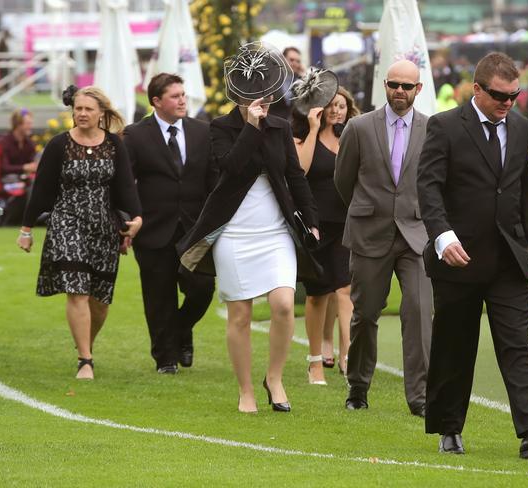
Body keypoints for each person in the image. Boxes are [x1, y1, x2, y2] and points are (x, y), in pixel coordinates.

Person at [417, 52, 528, 458]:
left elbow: (524, 192)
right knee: (456, 344)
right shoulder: (445, 126)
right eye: (499, 96)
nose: (507, 103)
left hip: (510, 259)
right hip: (458, 258)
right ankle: (449, 428)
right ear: (476, 89)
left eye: (514, 96)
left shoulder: (520, 128)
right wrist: (442, 237)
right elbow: (429, 188)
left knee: (516, 343)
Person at [177, 42, 319, 414]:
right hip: (234, 233)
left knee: (284, 305)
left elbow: (295, 176)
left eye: (269, 93)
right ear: (240, 94)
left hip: (275, 232)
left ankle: (274, 377)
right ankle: (245, 390)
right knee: (239, 314)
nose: (265, 99)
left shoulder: (281, 126)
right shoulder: (220, 128)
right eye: (256, 95)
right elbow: (232, 166)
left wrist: (312, 220)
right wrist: (252, 126)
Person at [17, 86, 142, 380]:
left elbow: (125, 187)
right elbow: (42, 190)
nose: (82, 113)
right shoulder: (59, 144)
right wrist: (26, 229)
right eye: (78, 108)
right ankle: (85, 360)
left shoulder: (114, 145)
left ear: (101, 113)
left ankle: (85, 343)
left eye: (88, 109)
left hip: (102, 225)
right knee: (77, 290)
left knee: (99, 300)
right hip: (66, 221)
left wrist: (135, 219)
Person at [334, 59, 432, 416]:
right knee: (365, 313)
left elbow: (435, 183)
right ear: (385, 86)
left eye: (407, 86)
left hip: (415, 235)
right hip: (369, 233)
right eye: (394, 85)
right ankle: (357, 387)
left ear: (418, 89)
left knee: (420, 312)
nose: (400, 92)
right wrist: (368, 210)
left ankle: (420, 397)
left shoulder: (430, 128)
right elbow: (343, 181)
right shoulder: (359, 128)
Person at [123, 73, 217, 375]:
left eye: (183, 94)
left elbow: (212, 181)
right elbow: (125, 184)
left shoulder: (203, 132)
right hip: (152, 230)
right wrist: (129, 220)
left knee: (202, 287)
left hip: (194, 230)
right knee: (158, 295)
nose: (182, 100)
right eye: (175, 96)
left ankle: (179, 331)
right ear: (156, 101)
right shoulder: (135, 135)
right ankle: (165, 359)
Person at [292, 79, 360, 384]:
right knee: (318, 295)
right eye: (332, 106)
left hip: (346, 223)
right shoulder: (304, 137)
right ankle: (315, 360)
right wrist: (313, 127)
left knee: (345, 289)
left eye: (342, 106)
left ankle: (348, 356)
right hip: (315, 225)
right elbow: (301, 170)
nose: (337, 111)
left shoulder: (352, 137)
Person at [0, 108, 38, 225]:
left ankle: (32, 219)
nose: (30, 126)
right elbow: (3, 168)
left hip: (24, 179)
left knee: (37, 183)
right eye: (28, 124)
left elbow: (32, 165)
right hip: (6, 179)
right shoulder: (4, 142)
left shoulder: (30, 144)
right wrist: (24, 167)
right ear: (18, 125)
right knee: (20, 184)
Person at [268, 46, 304, 120]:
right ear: (283, 59)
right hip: (273, 125)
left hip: (294, 127)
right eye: (291, 60)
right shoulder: (271, 78)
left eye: (298, 61)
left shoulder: (301, 80)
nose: (294, 63)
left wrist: (304, 75)